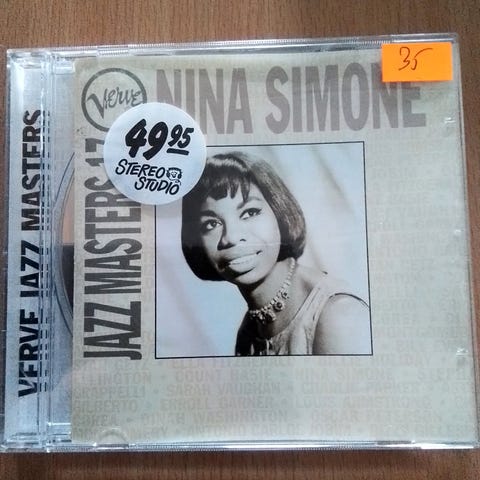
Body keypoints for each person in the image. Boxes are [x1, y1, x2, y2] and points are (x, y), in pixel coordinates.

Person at [181, 152, 371, 356]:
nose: (231, 237)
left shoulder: (338, 316)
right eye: (211, 224)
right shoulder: (249, 330)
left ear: (279, 213)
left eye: (250, 212)